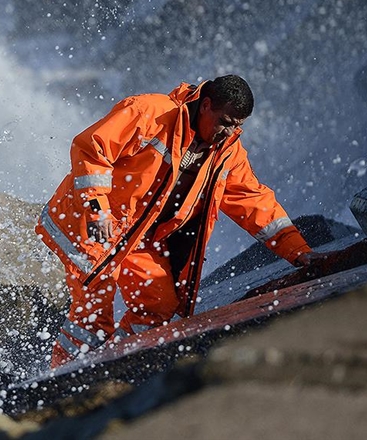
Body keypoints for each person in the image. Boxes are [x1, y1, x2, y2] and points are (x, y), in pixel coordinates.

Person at [35, 74, 323, 368]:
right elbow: (90, 149)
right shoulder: (148, 112)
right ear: (206, 105)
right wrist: (97, 208)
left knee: (159, 304)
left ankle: (117, 363)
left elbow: (253, 201)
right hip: (87, 224)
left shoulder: (227, 153)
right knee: (93, 316)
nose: (230, 132)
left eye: (238, 126)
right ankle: (60, 377)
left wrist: (299, 252)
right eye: (226, 122)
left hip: (134, 236)